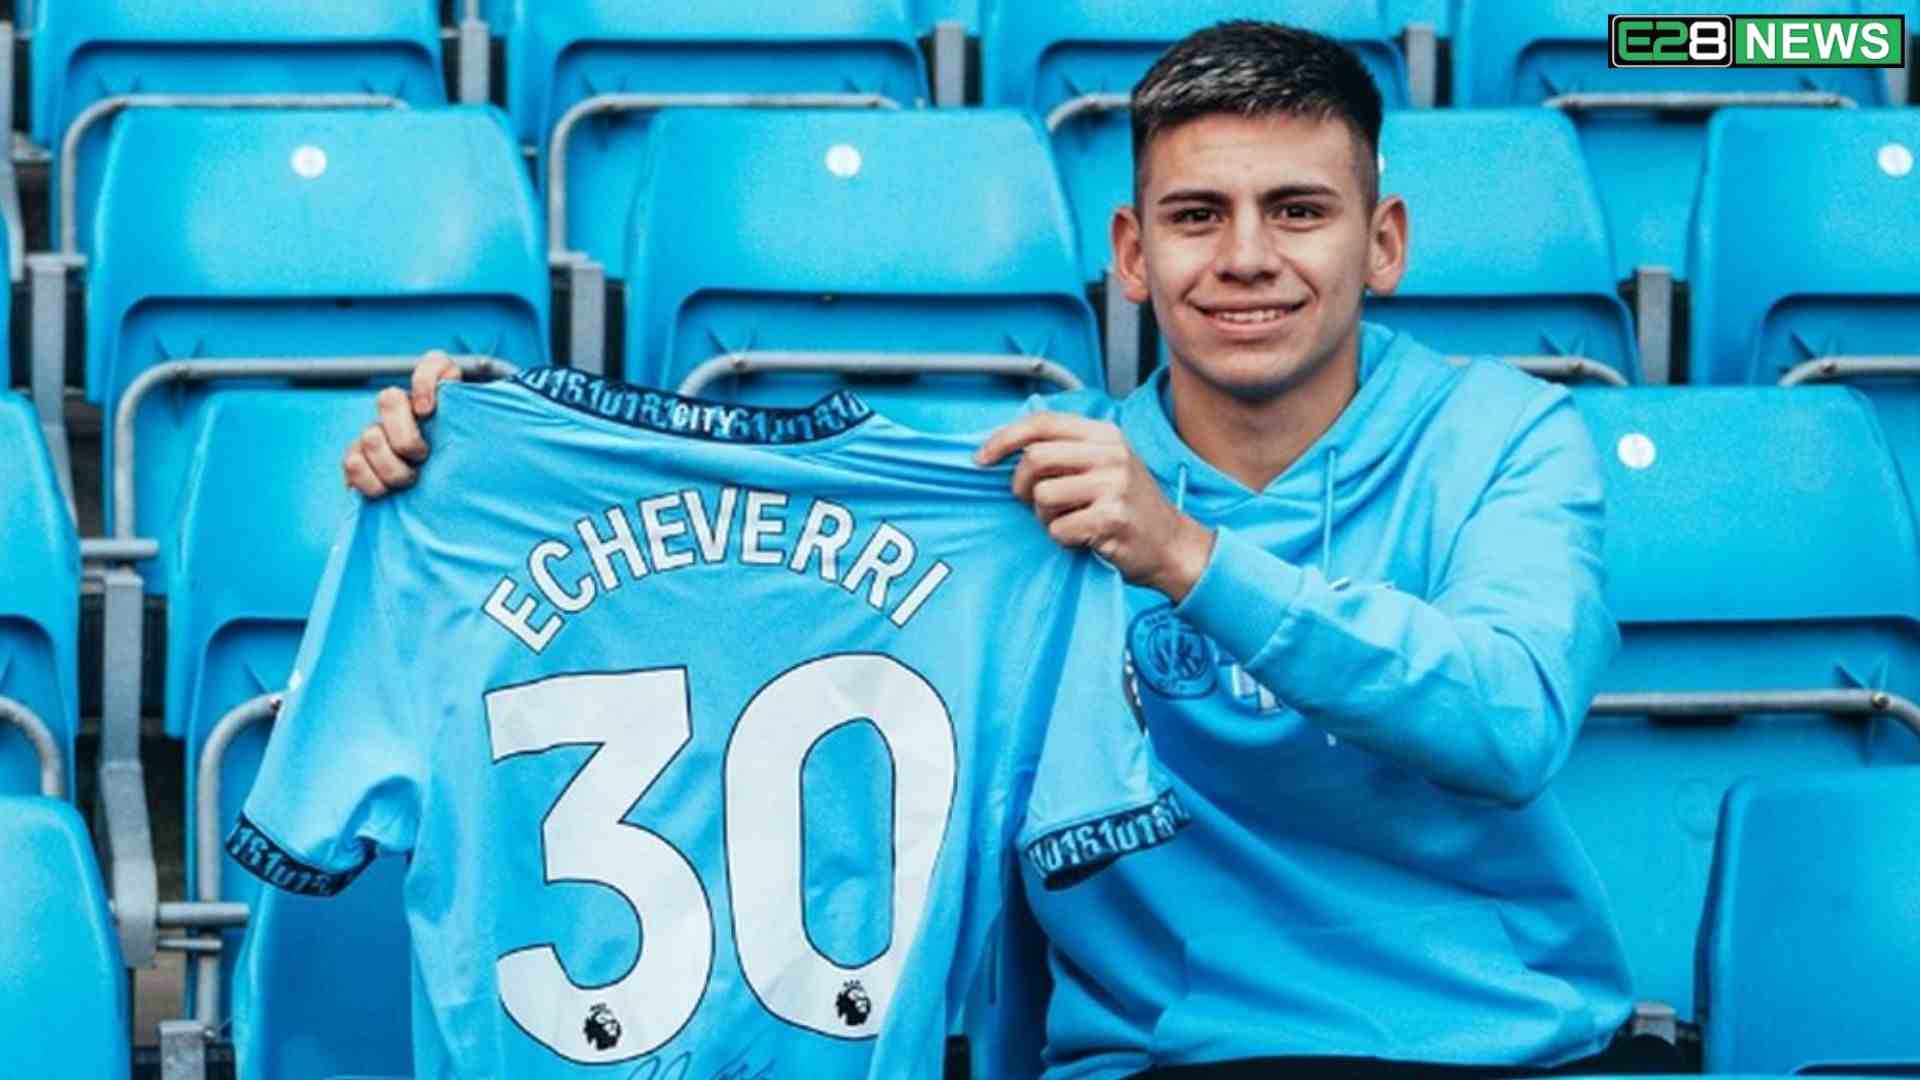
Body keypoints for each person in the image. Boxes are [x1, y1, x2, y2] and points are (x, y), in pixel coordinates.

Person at [342, 20, 1666, 1079]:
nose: (1248, 257)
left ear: (1383, 244)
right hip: (1172, 1063)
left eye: (1299, 210)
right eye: (1197, 216)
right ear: (1131, 256)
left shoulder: (1506, 439)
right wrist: (473, 456)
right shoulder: (1031, 491)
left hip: (1503, 1051)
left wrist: (1188, 555)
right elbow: (737, 562)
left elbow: (1508, 720)